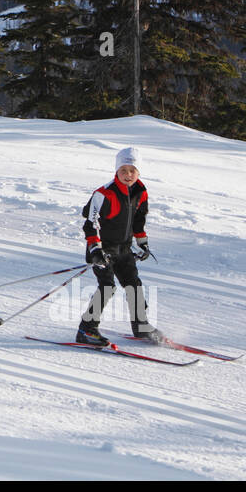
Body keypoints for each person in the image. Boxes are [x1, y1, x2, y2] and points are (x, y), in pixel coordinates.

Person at [75, 146, 161, 346]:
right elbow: (90, 223)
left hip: (124, 248)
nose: (128, 175)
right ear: (116, 171)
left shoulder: (140, 191)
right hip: (102, 249)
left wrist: (142, 242)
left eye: (132, 170)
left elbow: (139, 219)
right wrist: (95, 249)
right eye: (123, 170)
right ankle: (86, 330)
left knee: (134, 284)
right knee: (107, 287)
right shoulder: (104, 193)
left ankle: (141, 326)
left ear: (138, 172)